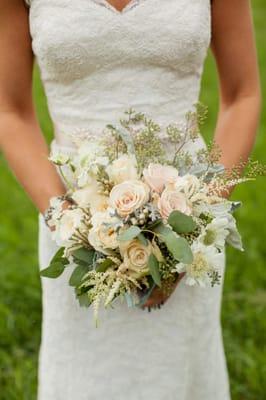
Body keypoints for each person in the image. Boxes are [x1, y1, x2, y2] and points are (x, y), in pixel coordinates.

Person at [0, 1, 261, 399]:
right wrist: (71, 225)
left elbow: (243, 94)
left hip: (187, 224)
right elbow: (10, 110)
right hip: (73, 229)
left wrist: (193, 221)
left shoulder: (190, 225)